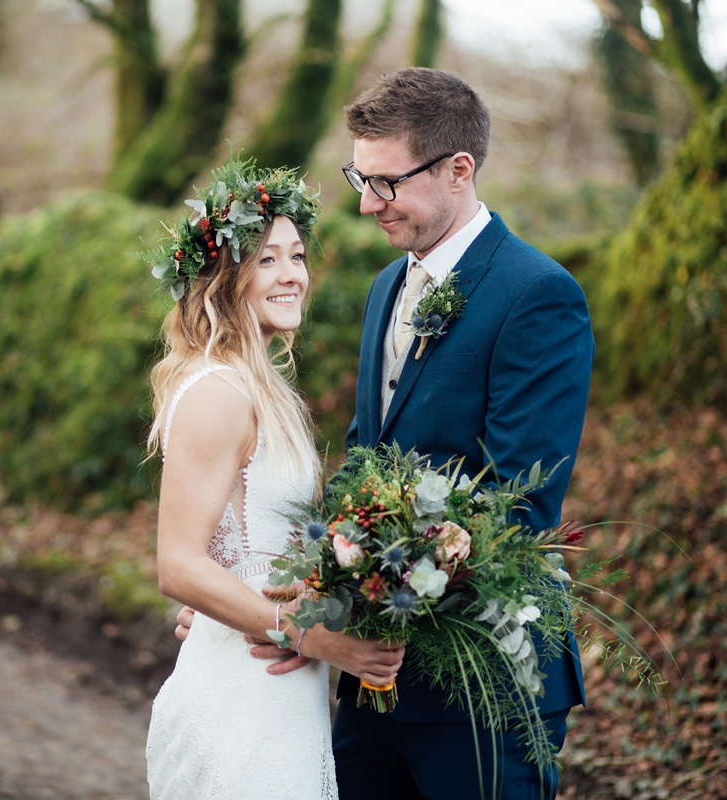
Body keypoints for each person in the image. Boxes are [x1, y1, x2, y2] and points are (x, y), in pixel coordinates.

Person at [181, 69, 594, 798]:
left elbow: (515, 502)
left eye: (386, 182)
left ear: (458, 170)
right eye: (359, 178)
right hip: (371, 682)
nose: (366, 203)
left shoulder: (538, 295)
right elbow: (365, 465)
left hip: (482, 682)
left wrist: (327, 601)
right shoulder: (386, 289)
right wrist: (250, 591)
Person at [143, 159, 404, 800]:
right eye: (266, 260)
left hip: (277, 688)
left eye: (297, 256)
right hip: (242, 695)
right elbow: (178, 565)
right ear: (225, 278)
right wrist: (315, 638)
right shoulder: (219, 392)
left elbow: (243, 542)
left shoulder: (264, 388)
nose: (292, 275)